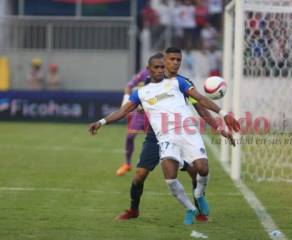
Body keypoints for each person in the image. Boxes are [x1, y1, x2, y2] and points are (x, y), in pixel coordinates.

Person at [89, 52, 240, 225]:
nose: (172, 64)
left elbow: (200, 107)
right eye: (169, 61)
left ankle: (199, 208)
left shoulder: (182, 84)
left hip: (183, 132)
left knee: (197, 170)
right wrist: (102, 121)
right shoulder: (145, 88)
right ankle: (133, 210)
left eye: (177, 60)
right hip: (157, 135)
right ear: (156, 66)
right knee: (140, 174)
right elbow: (126, 109)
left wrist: (219, 126)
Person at [116, 68, 149, 176]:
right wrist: (125, 101)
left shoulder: (166, 76)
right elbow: (129, 86)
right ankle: (127, 164)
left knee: (159, 140)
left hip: (156, 112)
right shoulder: (144, 72)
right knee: (130, 137)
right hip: (140, 113)